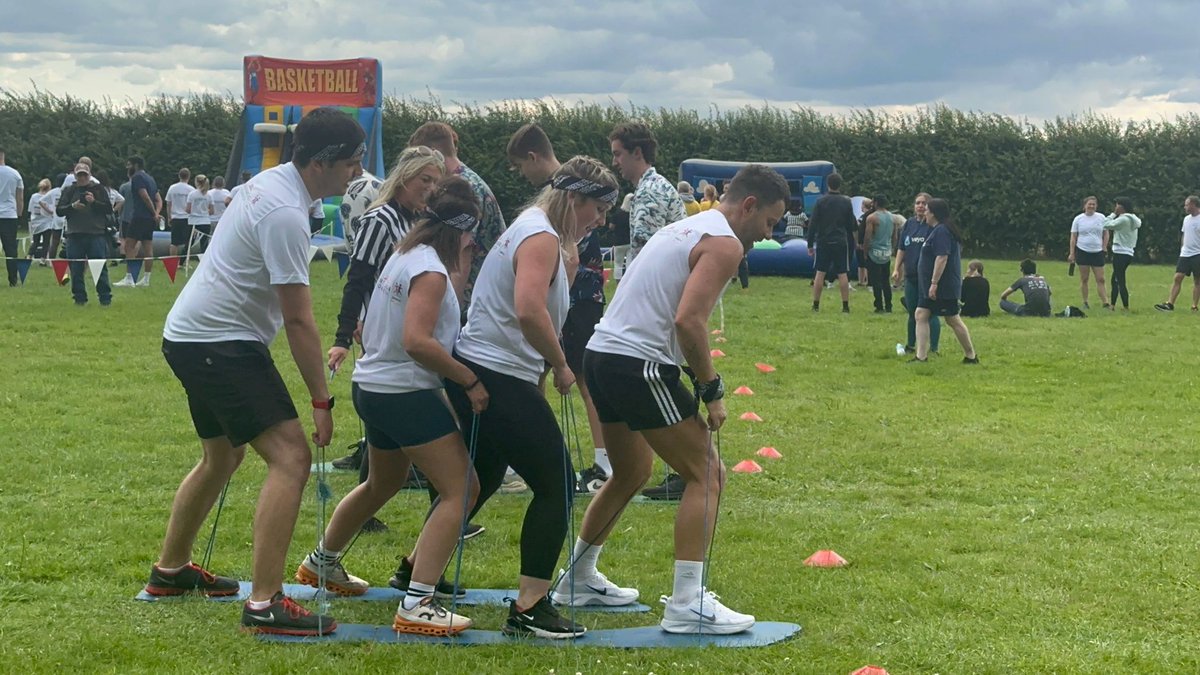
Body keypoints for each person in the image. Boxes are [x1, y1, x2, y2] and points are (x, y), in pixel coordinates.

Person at [144, 107, 365, 636]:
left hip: (192, 335)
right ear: (323, 161)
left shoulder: (274, 184)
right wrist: (320, 400)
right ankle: (265, 604)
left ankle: (170, 571)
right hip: (220, 343)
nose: (356, 174)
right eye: (352, 163)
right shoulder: (285, 212)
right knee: (292, 457)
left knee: (222, 455)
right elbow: (298, 319)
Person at [555, 164, 789, 634]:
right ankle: (687, 603)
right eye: (769, 222)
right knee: (707, 473)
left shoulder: (686, 225)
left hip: (602, 354)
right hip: (636, 362)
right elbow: (689, 322)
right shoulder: (724, 243)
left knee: (633, 473)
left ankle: (576, 579)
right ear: (748, 205)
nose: (768, 234)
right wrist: (711, 389)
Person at [295, 177, 482, 636]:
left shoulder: (406, 255)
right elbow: (417, 341)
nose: (474, 243)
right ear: (460, 231)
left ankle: (322, 563)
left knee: (383, 482)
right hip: (404, 391)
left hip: (373, 387)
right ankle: (418, 601)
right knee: (463, 490)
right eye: (472, 234)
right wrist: (468, 380)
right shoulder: (431, 272)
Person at [443, 156, 618, 639]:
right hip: (497, 373)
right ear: (575, 198)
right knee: (557, 484)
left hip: (491, 367)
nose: (600, 221)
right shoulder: (540, 235)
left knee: (483, 475)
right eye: (598, 210)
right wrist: (561, 364)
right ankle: (531, 607)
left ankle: (419, 569)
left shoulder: (538, 230)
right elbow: (527, 308)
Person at [327, 145, 446, 533]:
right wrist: (344, 335)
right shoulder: (381, 219)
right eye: (424, 180)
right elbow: (358, 277)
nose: (430, 188)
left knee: (388, 423)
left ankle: (384, 501)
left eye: (435, 182)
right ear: (404, 178)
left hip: (403, 322)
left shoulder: (417, 219)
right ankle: (445, 499)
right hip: (381, 324)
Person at [507, 123, 612, 495]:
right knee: (539, 373)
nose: (523, 175)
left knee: (584, 379)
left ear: (534, 157)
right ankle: (518, 456)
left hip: (579, 300)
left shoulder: (575, 193)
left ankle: (604, 461)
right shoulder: (546, 212)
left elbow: (571, 255)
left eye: (522, 167)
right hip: (565, 296)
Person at [407, 122, 506, 308]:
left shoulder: (465, 191)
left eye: (418, 159)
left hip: (475, 302)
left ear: (434, 152)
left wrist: (448, 311)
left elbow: (461, 258)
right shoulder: (459, 183)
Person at [913, 198, 979, 364]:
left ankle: (971, 355)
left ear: (934, 213)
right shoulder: (936, 230)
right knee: (921, 314)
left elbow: (942, 257)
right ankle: (921, 356)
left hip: (943, 285)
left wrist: (934, 283)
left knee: (952, 319)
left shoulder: (942, 231)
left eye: (927, 210)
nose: (924, 213)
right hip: (931, 285)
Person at [609, 121, 685, 264]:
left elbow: (648, 258)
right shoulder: (657, 186)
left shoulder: (648, 194)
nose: (614, 162)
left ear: (637, 152)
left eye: (618, 154)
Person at [56, 164, 113, 305]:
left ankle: (105, 298)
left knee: (99, 267)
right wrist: (72, 207)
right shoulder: (69, 190)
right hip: (74, 235)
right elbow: (59, 210)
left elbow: (108, 209)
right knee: (76, 269)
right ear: (75, 176)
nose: (82, 178)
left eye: (84, 175)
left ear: (89, 175)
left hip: (96, 234)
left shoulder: (99, 189)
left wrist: (93, 202)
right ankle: (79, 298)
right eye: (79, 175)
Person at [892, 193, 939, 354]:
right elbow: (902, 248)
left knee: (929, 313)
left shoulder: (933, 226)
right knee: (912, 311)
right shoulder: (909, 224)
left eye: (924, 203)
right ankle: (911, 345)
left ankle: (933, 348)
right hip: (911, 276)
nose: (920, 206)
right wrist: (897, 268)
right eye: (917, 203)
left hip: (926, 277)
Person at [806, 172, 855, 312]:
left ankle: (816, 304)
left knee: (820, 272)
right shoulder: (846, 202)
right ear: (840, 185)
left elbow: (813, 224)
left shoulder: (821, 201)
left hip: (823, 241)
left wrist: (810, 244)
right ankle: (845, 306)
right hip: (840, 240)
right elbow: (850, 224)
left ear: (828, 184)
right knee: (842, 273)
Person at [114, 156, 161, 288]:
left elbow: (144, 196)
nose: (127, 167)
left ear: (136, 165)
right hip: (150, 219)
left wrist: (153, 212)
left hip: (140, 216)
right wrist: (156, 213)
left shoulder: (137, 178)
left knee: (129, 245)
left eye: (129, 165)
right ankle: (146, 279)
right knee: (148, 248)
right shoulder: (151, 179)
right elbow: (158, 199)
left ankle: (129, 277)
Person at [1155, 195, 1200, 312]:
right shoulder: (1186, 219)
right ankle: (1170, 304)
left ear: (1193, 205)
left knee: (1197, 280)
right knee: (1178, 277)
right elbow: (1184, 235)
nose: (1185, 207)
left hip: (1198, 254)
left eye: (1187, 204)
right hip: (1185, 253)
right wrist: (1182, 248)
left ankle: (1194, 305)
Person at [1069, 196, 1110, 310]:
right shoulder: (1078, 219)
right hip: (1082, 251)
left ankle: (1105, 302)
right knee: (1084, 278)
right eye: (1089, 204)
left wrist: (1104, 246)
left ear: (1096, 206)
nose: (1091, 206)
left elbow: (1106, 233)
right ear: (1085, 206)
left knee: (1101, 279)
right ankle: (1085, 302)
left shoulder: (1101, 218)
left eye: (1093, 204)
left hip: (1097, 252)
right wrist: (1072, 253)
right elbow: (1073, 237)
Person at [1102, 197, 1140, 311]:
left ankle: (1125, 306)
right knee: (1115, 279)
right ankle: (1113, 305)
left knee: (1120, 280)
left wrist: (1113, 214)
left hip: (1120, 252)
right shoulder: (1134, 219)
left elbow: (1106, 224)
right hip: (1128, 252)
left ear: (1121, 207)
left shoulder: (1123, 219)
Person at [863, 194, 896, 313]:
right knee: (885, 280)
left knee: (876, 280)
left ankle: (879, 305)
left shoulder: (872, 218)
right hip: (886, 252)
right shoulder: (892, 217)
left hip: (875, 252)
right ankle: (889, 305)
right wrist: (892, 248)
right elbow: (894, 235)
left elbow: (868, 236)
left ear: (876, 203)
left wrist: (865, 251)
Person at [0, 149, 24, 286]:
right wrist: (19, 215)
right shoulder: (15, 174)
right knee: (10, 249)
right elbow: (19, 197)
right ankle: (13, 280)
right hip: (9, 215)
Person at [166, 168, 194, 258]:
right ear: (189, 177)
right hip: (187, 218)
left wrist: (169, 216)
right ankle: (183, 261)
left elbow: (168, 203)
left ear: (179, 176)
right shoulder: (191, 189)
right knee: (188, 242)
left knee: (174, 242)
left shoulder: (172, 188)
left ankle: (172, 262)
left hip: (175, 217)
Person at [27, 179, 55, 264]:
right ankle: (43, 259)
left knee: (35, 241)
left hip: (36, 222)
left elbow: (30, 209)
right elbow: (52, 209)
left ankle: (29, 256)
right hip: (47, 222)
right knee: (46, 242)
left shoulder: (34, 196)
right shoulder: (49, 197)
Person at [186, 175, 213, 254]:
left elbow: (188, 209)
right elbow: (212, 211)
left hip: (193, 222)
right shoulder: (209, 195)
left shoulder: (192, 194)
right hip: (205, 221)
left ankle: (182, 262)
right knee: (204, 244)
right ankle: (203, 262)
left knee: (189, 243)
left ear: (196, 182)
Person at [856, 197, 873, 288]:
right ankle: (864, 280)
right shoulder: (873, 215)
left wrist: (859, 241)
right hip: (869, 241)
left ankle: (862, 280)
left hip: (863, 242)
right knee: (864, 262)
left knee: (862, 262)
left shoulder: (863, 217)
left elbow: (860, 229)